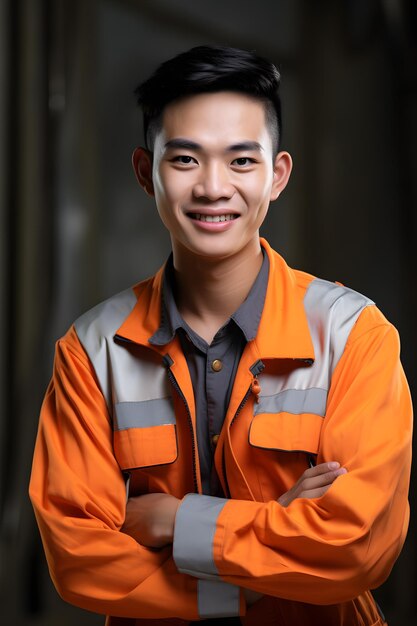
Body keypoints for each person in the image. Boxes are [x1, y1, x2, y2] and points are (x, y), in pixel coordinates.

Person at [29, 46, 412, 626]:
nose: (213, 188)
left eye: (240, 162)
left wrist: (173, 519)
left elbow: (357, 544)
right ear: (144, 172)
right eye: (184, 160)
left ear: (277, 175)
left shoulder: (353, 335)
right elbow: (78, 554)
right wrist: (248, 578)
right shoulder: (92, 350)